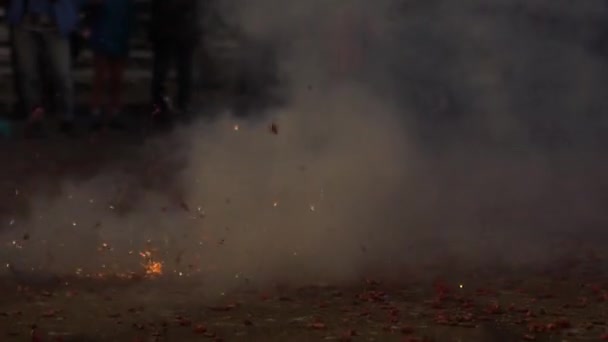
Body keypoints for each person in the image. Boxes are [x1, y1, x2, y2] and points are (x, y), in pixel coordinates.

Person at [5, 0, 83, 134]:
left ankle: (67, 117)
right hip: (25, 22)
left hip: (55, 23)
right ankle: (35, 118)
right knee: (29, 74)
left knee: (62, 73)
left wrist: (71, 15)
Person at [149, 0, 202, 122]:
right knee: (162, 71)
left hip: (182, 29)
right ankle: (159, 107)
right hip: (166, 29)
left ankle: (182, 105)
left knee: (183, 71)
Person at [86, 0, 135, 128]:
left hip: (119, 36)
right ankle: (95, 111)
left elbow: (130, 15)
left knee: (117, 78)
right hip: (103, 35)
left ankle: (114, 112)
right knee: (100, 77)